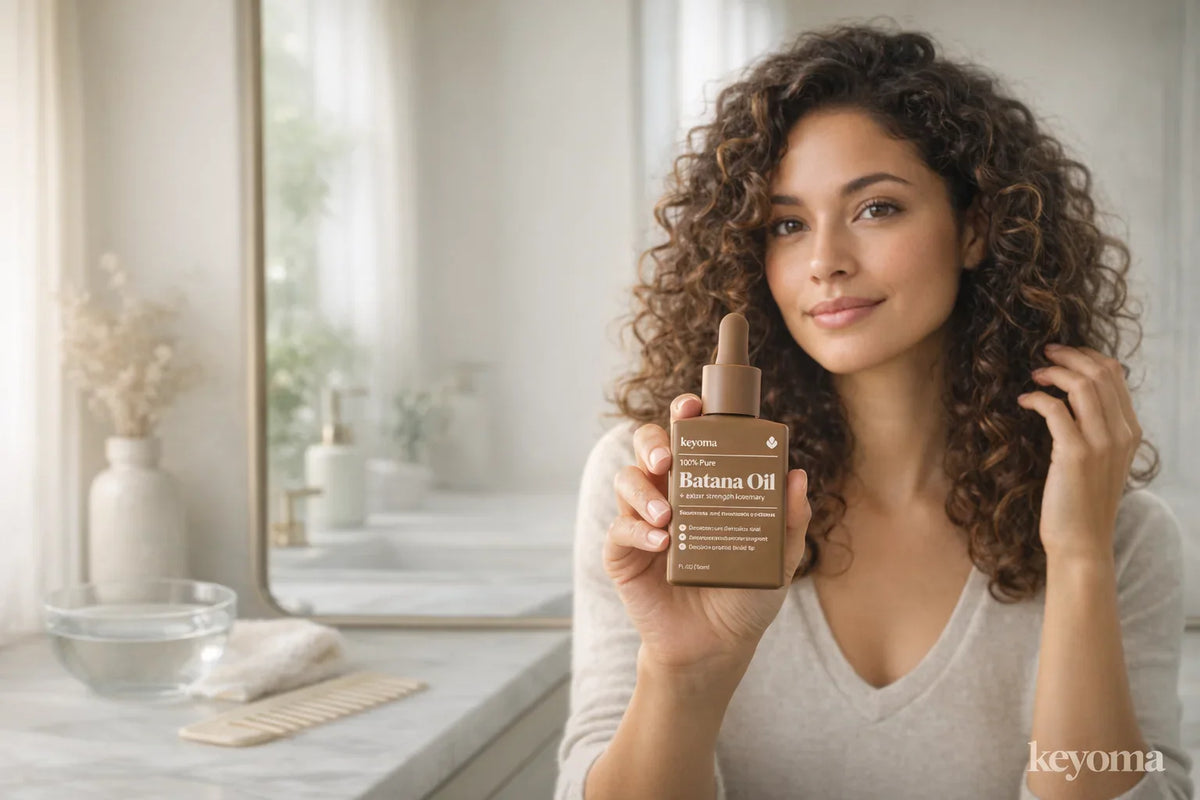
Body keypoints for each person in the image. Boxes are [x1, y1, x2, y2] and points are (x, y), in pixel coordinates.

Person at [554, 21, 1193, 800]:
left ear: (976, 228)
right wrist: (684, 671)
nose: (825, 261)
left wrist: (1081, 559)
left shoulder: (1122, 537)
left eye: (877, 209)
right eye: (788, 225)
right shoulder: (662, 490)